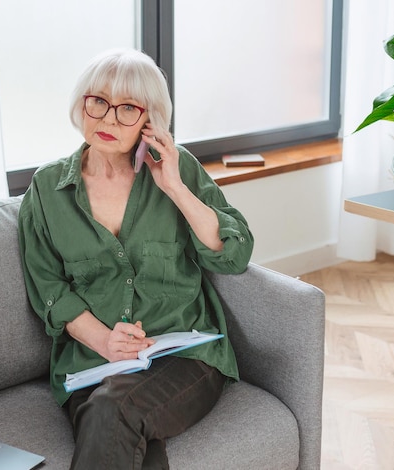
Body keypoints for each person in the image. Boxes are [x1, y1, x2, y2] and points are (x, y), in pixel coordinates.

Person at [17, 48, 254, 469]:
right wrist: (105, 341)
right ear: (81, 104)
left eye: (127, 108)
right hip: (93, 361)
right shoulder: (47, 189)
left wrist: (176, 189)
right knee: (132, 442)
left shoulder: (180, 171)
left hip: (184, 356)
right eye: (98, 101)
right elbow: (49, 288)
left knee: (113, 412)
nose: (108, 118)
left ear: (150, 119)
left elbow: (233, 255)